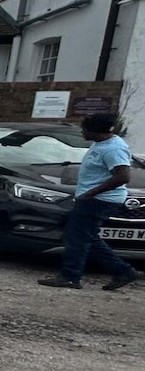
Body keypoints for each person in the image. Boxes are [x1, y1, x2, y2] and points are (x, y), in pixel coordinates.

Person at [38, 111, 138, 291]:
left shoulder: (113, 149)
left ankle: (70, 276)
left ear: (97, 131)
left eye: (85, 129)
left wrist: (91, 193)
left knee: (77, 238)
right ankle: (123, 271)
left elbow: (123, 176)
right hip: (91, 198)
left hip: (100, 200)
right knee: (86, 237)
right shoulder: (100, 143)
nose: (82, 133)